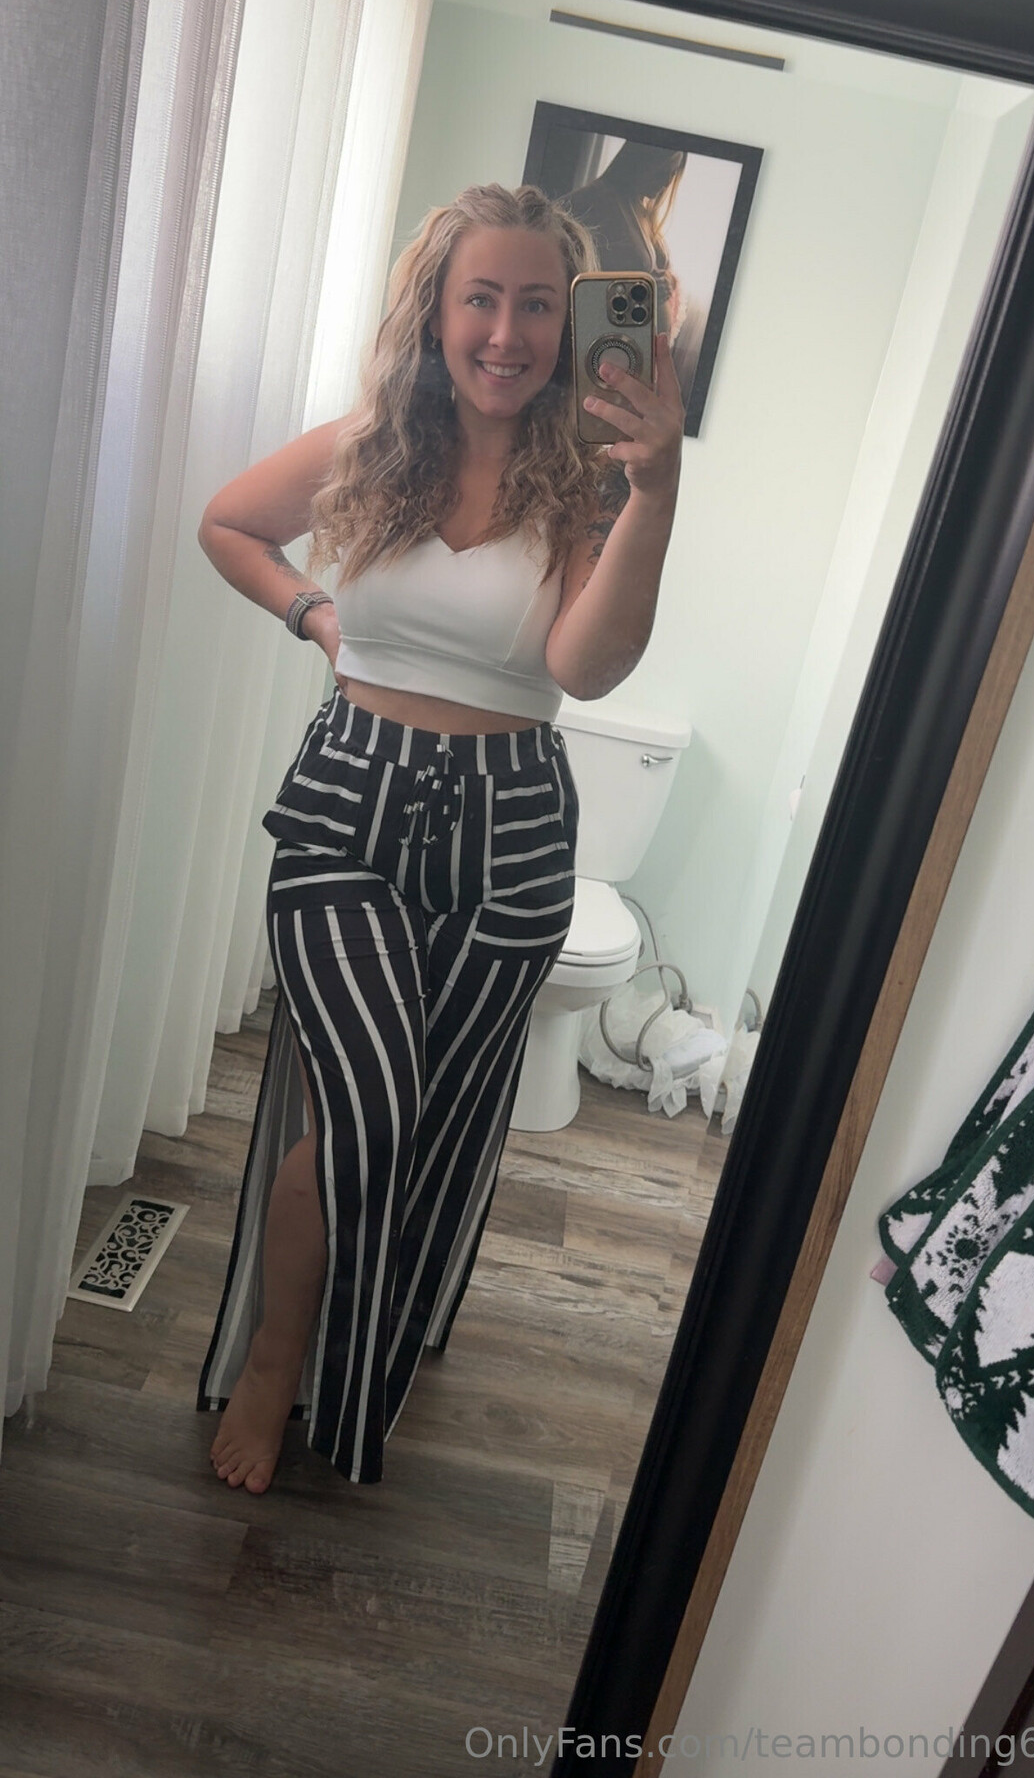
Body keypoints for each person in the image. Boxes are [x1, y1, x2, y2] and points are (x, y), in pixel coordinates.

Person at [195, 182, 683, 1495]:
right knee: (370, 1101)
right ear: (439, 308)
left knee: (428, 1123)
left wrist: (657, 490)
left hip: (509, 830)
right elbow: (228, 523)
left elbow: (585, 667)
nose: (507, 333)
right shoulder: (367, 448)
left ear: (573, 325)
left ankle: (375, 1343)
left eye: (537, 305)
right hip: (345, 808)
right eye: (483, 298)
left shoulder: (590, 484)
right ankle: (278, 1359)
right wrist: (311, 614)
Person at [566, 142, 688, 344]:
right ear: (641, 160)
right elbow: (571, 286)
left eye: (672, 173)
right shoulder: (597, 198)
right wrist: (642, 292)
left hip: (638, 347)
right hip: (611, 346)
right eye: (662, 170)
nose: (667, 181)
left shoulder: (638, 206)